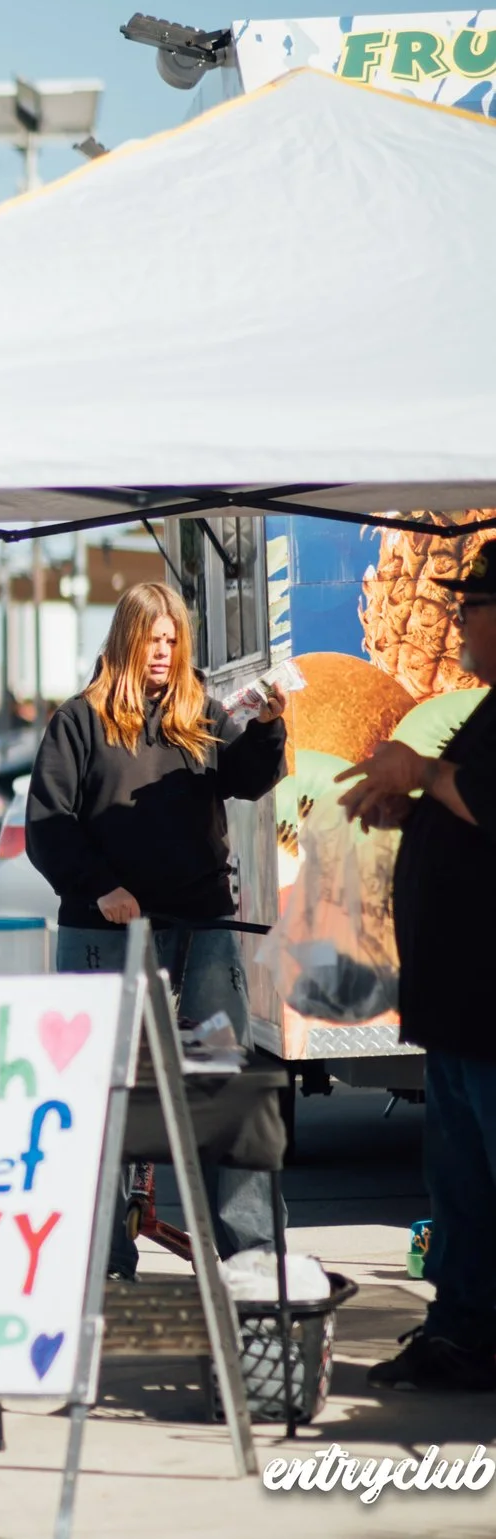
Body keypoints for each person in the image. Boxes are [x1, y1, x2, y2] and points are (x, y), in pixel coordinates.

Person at [26, 580, 288, 1268]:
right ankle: (101, 1256)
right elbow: (47, 827)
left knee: (222, 1085)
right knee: (103, 1093)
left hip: (201, 929)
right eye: (153, 639)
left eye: (173, 639)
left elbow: (248, 779)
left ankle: (252, 1255)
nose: (164, 651)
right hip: (104, 937)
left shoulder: (199, 711)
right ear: (126, 641)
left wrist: (268, 728)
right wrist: (99, 887)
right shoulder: (78, 721)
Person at [338, 550, 496, 1392]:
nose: (459, 620)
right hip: (457, 1008)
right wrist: (414, 807)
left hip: (487, 1007)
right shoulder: (487, 710)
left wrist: (426, 772)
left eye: (473, 604)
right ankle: (462, 1333)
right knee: (462, 1191)